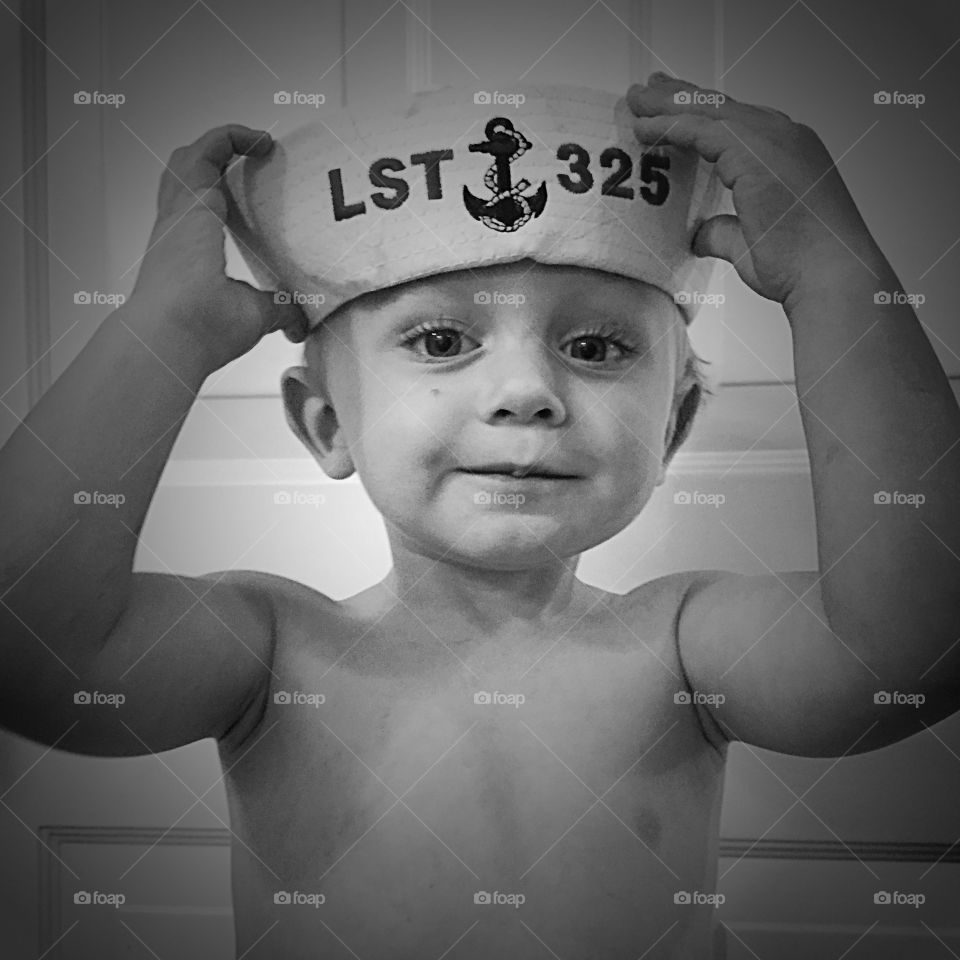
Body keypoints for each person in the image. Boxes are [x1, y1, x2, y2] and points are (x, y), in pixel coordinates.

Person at [2, 74, 958, 960]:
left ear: (672, 429)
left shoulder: (683, 646)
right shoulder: (274, 651)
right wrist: (160, 330)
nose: (527, 390)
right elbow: (30, 649)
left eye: (594, 345)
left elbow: (907, 651)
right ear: (328, 425)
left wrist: (836, 277)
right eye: (443, 339)